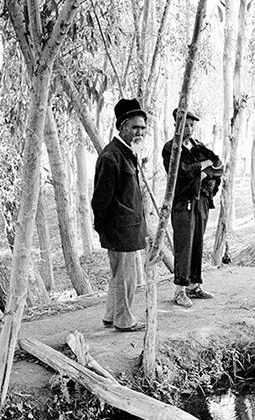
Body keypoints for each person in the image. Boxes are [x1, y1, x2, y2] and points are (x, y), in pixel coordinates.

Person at [91, 98, 148, 332]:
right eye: (135, 127)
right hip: (119, 228)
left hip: (128, 227)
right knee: (127, 277)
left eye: (143, 128)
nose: (140, 132)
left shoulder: (128, 153)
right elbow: (100, 199)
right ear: (122, 126)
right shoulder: (111, 156)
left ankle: (111, 316)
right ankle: (124, 320)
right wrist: (103, 226)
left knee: (119, 275)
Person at [162, 109, 224, 309]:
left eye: (191, 125)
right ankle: (179, 290)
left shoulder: (199, 146)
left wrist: (205, 178)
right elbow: (180, 174)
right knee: (184, 244)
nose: (188, 129)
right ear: (176, 125)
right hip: (182, 202)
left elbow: (218, 167)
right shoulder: (170, 148)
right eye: (184, 125)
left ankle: (194, 285)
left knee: (197, 241)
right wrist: (202, 169)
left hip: (201, 201)